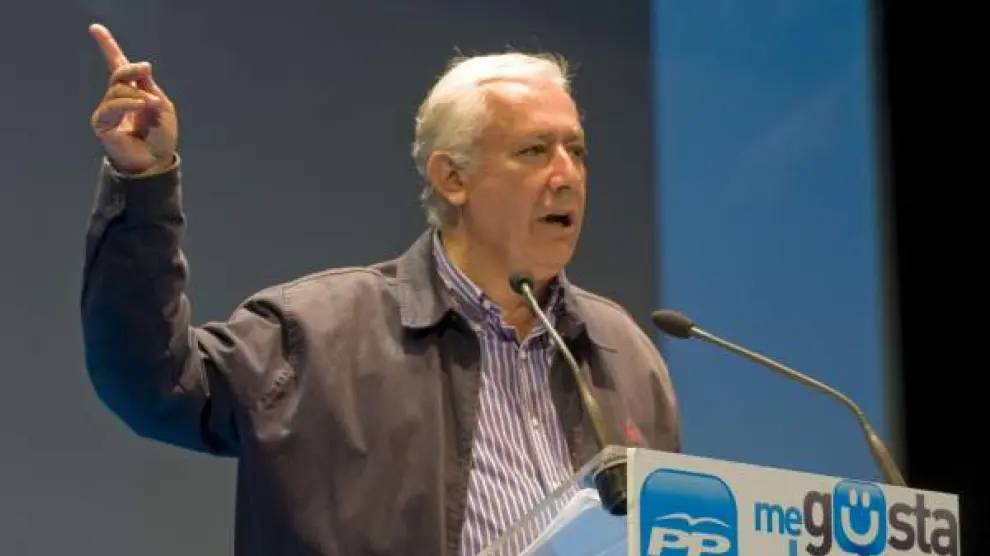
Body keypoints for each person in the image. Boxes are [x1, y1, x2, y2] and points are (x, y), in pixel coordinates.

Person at [80, 22, 681, 556]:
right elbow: (153, 381)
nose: (567, 175)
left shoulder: (623, 352)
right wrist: (144, 183)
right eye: (534, 151)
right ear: (452, 178)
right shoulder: (315, 334)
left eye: (576, 150)